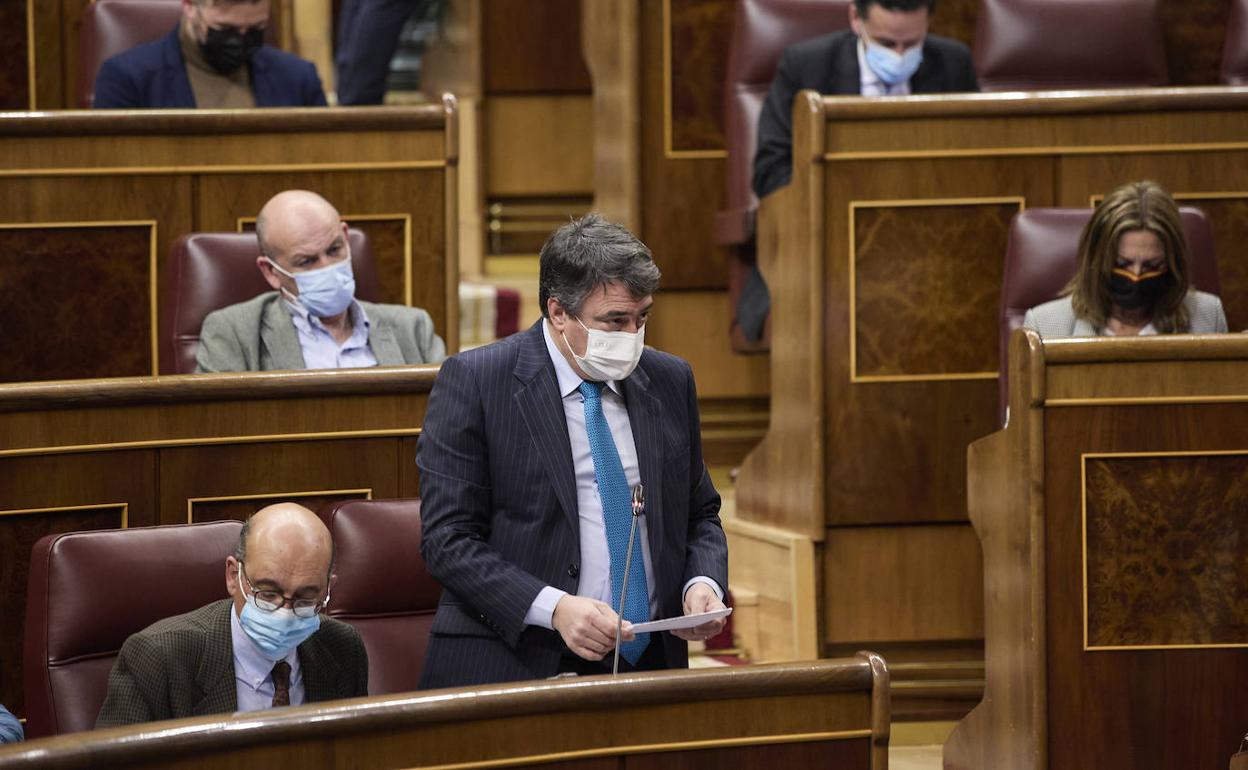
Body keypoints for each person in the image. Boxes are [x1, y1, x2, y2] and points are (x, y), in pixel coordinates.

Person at [417, 214, 729, 688]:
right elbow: (448, 540)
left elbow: (700, 512)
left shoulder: (669, 380)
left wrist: (701, 582)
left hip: (647, 662)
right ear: (558, 312)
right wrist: (555, 608)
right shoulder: (478, 382)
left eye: (642, 317)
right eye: (615, 320)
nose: (631, 335)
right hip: (517, 660)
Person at [96, 503, 367, 727]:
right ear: (233, 575)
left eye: (305, 598)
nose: (285, 614)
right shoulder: (158, 659)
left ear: (327, 588)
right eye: (267, 594)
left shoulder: (342, 647)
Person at [195, 190, 446, 372]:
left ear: (345, 238)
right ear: (271, 272)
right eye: (307, 261)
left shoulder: (413, 329)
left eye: (334, 249)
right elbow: (221, 425)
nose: (327, 267)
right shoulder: (233, 334)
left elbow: (450, 420)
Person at [753, 0, 979, 199]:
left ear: (928, 22)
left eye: (911, 44)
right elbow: (771, 171)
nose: (899, 55)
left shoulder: (953, 63)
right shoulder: (806, 66)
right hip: (837, 214)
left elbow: (975, 161)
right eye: (886, 43)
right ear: (855, 18)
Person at [1024, 180, 1228, 337]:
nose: (1136, 276)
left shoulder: (1208, 317)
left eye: (1152, 265)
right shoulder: (1045, 327)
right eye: (1122, 264)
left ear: (1172, 263)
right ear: (1097, 261)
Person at [93, 0, 328, 109]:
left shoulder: (299, 78)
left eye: (255, 29)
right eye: (226, 29)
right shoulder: (126, 78)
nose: (241, 40)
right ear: (189, 7)